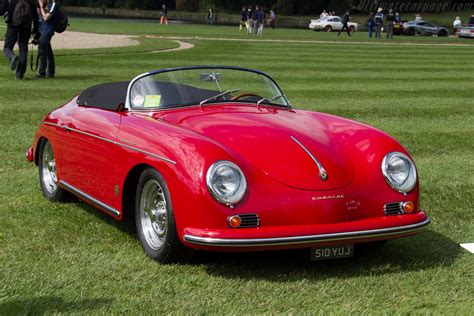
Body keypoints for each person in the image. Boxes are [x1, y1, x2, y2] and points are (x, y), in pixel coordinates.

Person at [0, 0, 39, 80]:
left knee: (7, 47)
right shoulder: (31, 1)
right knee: (23, 49)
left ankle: (12, 57)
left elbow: (1, 10)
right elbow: (36, 17)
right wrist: (35, 31)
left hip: (12, 25)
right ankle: (19, 74)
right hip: (26, 27)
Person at [37, 0, 59, 78]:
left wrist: (41, 7)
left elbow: (46, 18)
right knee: (48, 52)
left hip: (47, 31)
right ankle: (51, 72)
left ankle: (42, 73)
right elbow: (41, 16)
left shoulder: (53, 5)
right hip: (43, 30)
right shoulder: (47, 4)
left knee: (42, 51)